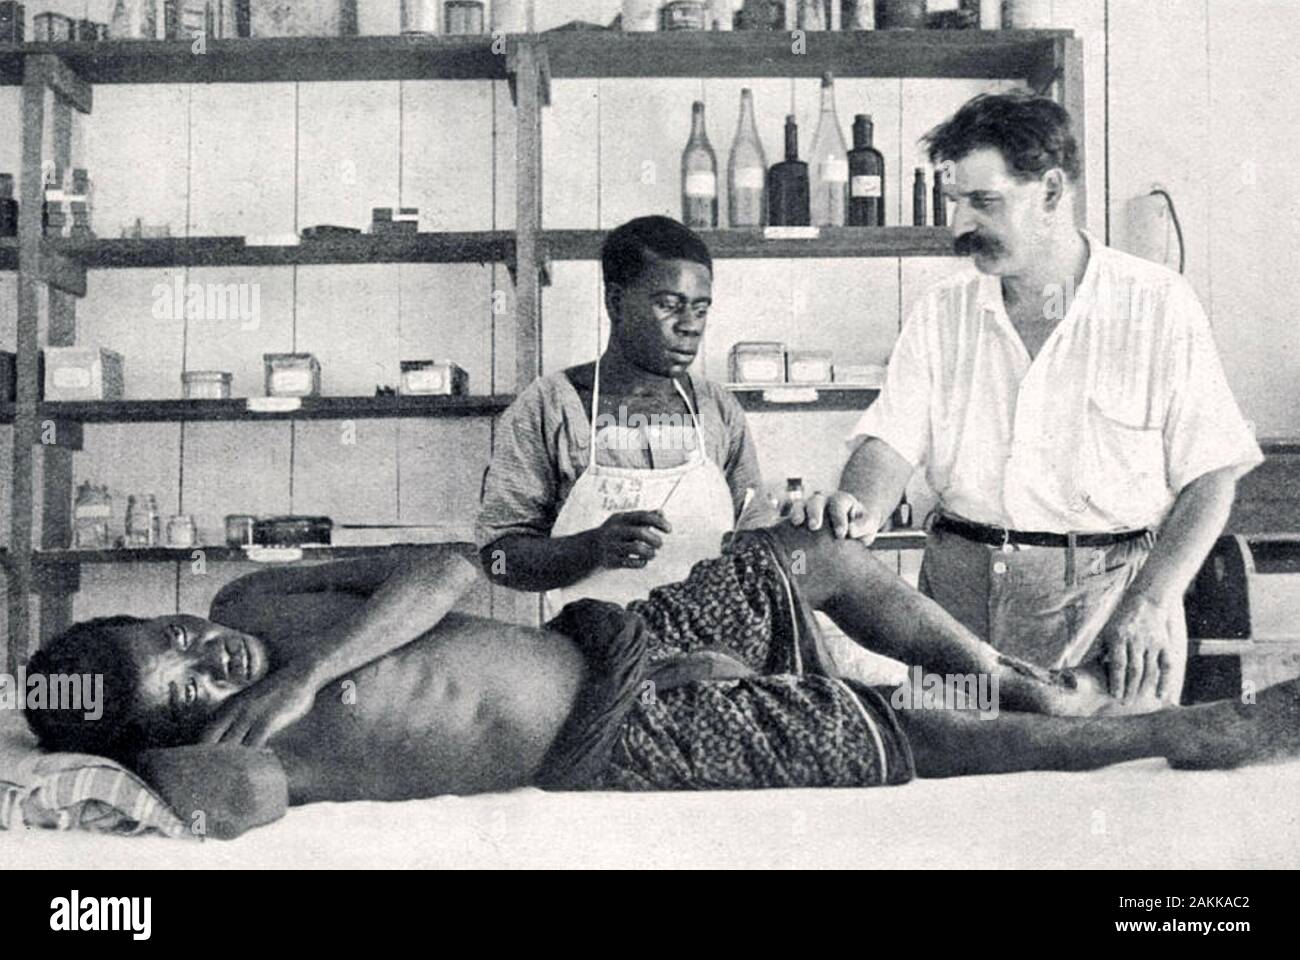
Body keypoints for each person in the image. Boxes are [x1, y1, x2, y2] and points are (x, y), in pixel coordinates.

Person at [24, 522, 1300, 839]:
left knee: (810, 559)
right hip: (613, 735)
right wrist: (121, 770)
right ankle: (1202, 730)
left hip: (604, 638)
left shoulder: (259, 611)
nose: (211, 658)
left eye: (172, 631)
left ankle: (1008, 674)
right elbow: (229, 808)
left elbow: (446, 568)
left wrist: (312, 667)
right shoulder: (240, 757)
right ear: (165, 731)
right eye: (184, 682)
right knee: (901, 729)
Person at [808, 92, 1262, 706]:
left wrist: (1152, 601)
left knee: (1114, 785)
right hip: (957, 618)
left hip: (1112, 615)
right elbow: (890, 443)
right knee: (958, 794)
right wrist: (851, 512)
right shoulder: (942, 313)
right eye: (953, 202)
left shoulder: (1156, 305)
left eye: (983, 202)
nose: (959, 226)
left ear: (1051, 191)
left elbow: (1211, 478)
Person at [477, 215, 772, 617]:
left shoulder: (719, 409)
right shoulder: (550, 405)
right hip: (592, 649)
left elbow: (760, 542)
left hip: (711, 641)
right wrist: (591, 547)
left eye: (700, 310)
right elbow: (499, 559)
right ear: (615, 302)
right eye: (668, 305)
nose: (689, 327)